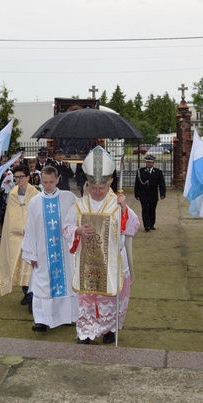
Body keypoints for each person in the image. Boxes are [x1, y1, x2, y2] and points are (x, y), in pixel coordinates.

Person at [64, 146, 140, 344]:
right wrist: (77, 231)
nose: (98, 192)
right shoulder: (79, 205)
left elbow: (132, 228)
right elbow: (66, 227)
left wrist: (124, 209)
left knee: (111, 297)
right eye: (93, 188)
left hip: (113, 260)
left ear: (110, 182)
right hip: (88, 262)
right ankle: (86, 331)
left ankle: (109, 329)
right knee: (88, 299)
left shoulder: (117, 203)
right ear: (87, 184)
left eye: (102, 188)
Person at [21, 165, 78, 332]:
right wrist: (31, 252)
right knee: (42, 285)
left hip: (64, 252)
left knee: (66, 283)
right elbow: (30, 228)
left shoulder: (69, 198)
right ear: (40, 181)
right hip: (43, 252)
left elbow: (80, 216)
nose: (48, 185)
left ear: (57, 180)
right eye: (44, 182)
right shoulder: (35, 202)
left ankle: (67, 317)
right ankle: (41, 321)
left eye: (51, 182)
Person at [0, 165, 40, 299]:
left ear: (28, 177)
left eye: (21, 177)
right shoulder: (13, 194)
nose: (18, 180)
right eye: (16, 177)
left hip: (31, 235)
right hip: (15, 235)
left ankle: (32, 294)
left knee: (30, 266)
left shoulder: (36, 195)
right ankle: (26, 292)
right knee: (17, 262)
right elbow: (10, 216)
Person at [134, 154, 166, 231]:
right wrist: (137, 194)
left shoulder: (158, 172)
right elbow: (137, 183)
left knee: (152, 210)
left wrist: (162, 193)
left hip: (153, 194)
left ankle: (151, 224)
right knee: (145, 209)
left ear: (153, 163)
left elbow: (161, 183)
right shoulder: (140, 171)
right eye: (147, 162)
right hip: (143, 194)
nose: (148, 163)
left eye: (150, 162)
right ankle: (146, 226)